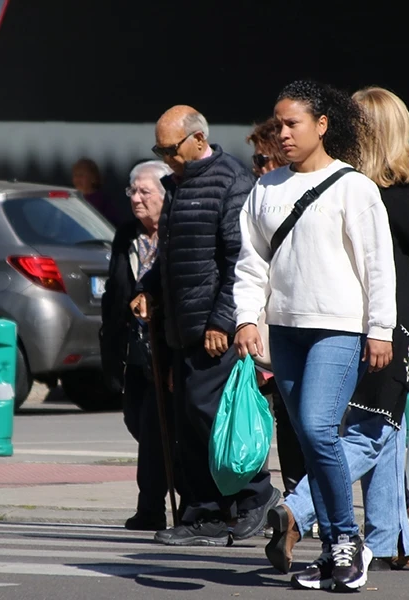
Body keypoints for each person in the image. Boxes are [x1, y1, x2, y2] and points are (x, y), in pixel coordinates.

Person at [233, 80, 397, 592]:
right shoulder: (266, 188)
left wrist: (380, 329)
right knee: (307, 439)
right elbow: (251, 262)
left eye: (292, 123)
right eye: (277, 124)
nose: (282, 133)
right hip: (284, 329)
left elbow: (378, 266)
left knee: (318, 427)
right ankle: (330, 551)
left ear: (321, 126)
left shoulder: (354, 187)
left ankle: (347, 541)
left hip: (339, 328)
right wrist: (244, 319)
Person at [130, 105, 280, 546]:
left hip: (213, 330)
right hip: (180, 327)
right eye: (157, 148)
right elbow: (172, 254)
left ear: (197, 140)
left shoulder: (232, 181)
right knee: (190, 423)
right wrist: (148, 287)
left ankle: (256, 495)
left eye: (169, 148)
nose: (164, 156)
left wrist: (222, 320)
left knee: (212, 418)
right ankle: (205, 513)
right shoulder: (176, 185)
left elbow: (240, 260)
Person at [101, 159, 178, 531]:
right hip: (133, 350)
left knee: (152, 428)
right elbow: (113, 293)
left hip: (167, 349)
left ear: (165, 196)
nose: (135, 198)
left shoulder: (176, 234)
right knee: (137, 421)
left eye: (145, 191)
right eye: (132, 190)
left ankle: (151, 508)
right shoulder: (125, 235)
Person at [245, 118, 305, 498]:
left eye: (260, 157)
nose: (256, 166)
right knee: (283, 416)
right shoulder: (258, 195)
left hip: (293, 321)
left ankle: (307, 501)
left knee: (303, 417)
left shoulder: (290, 194)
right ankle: (296, 498)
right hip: (266, 325)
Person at [73, 157, 118, 226]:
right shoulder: (72, 199)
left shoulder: (102, 201)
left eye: (81, 176)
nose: (78, 179)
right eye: (75, 175)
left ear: (93, 178)